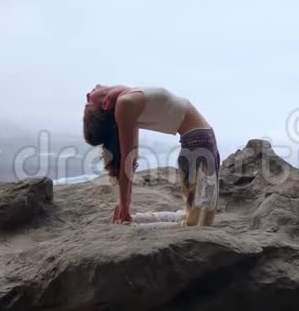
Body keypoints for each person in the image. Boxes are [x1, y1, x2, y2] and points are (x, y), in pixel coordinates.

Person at [82, 84, 220, 226]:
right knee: (197, 224)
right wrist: (124, 204)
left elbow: (131, 159)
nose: (88, 92)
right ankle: (131, 225)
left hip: (201, 143)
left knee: (193, 217)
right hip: (198, 145)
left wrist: (124, 204)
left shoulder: (127, 98)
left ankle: (132, 222)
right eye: (89, 100)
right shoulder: (125, 103)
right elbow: (128, 160)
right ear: (105, 104)